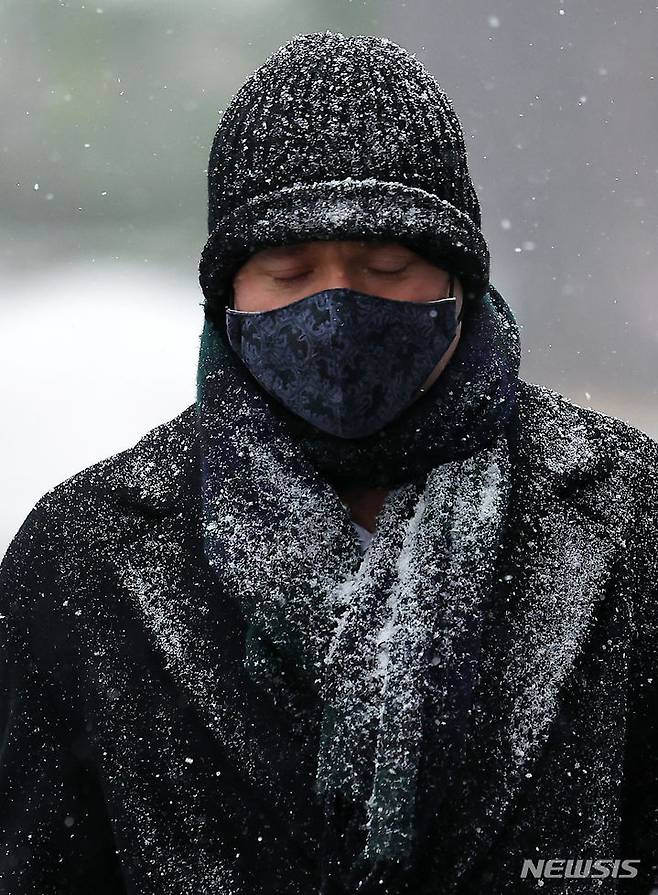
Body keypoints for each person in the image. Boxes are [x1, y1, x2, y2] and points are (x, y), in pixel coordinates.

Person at [1, 29, 657, 895]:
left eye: (388, 265)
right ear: (227, 293)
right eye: (287, 268)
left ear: (458, 281)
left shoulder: (628, 516)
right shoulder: (81, 559)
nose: (338, 308)